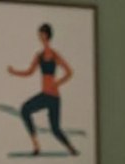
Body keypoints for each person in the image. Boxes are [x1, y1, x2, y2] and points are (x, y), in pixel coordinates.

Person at [7, 23, 78, 156]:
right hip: (44, 95)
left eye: (42, 34)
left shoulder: (55, 54)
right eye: (39, 34)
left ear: (47, 35)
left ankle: (71, 149)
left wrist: (57, 83)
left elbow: (69, 72)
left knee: (55, 129)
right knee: (25, 109)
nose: (40, 37)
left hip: (54, 97)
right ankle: (36, 146)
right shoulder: (39, 56)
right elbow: (29, 72)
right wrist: (14, 71)